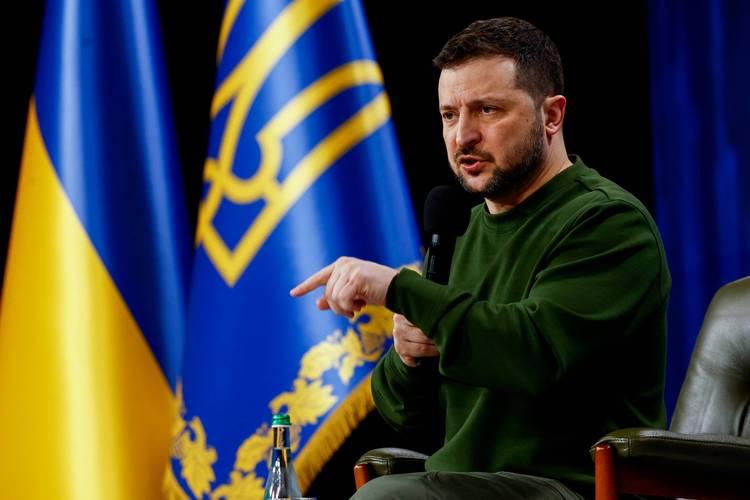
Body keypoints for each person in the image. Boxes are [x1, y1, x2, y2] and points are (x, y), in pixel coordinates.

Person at [291, 17, 670, 499]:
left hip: (566, 487)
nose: (462, 136)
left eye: (487, 110)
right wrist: (407, 356)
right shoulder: (459, 232)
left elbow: (534, 355)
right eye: (449, 115)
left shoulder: (607, 223)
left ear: (552, 116)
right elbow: (404, 413)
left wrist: (401, 290)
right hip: (464, 485)